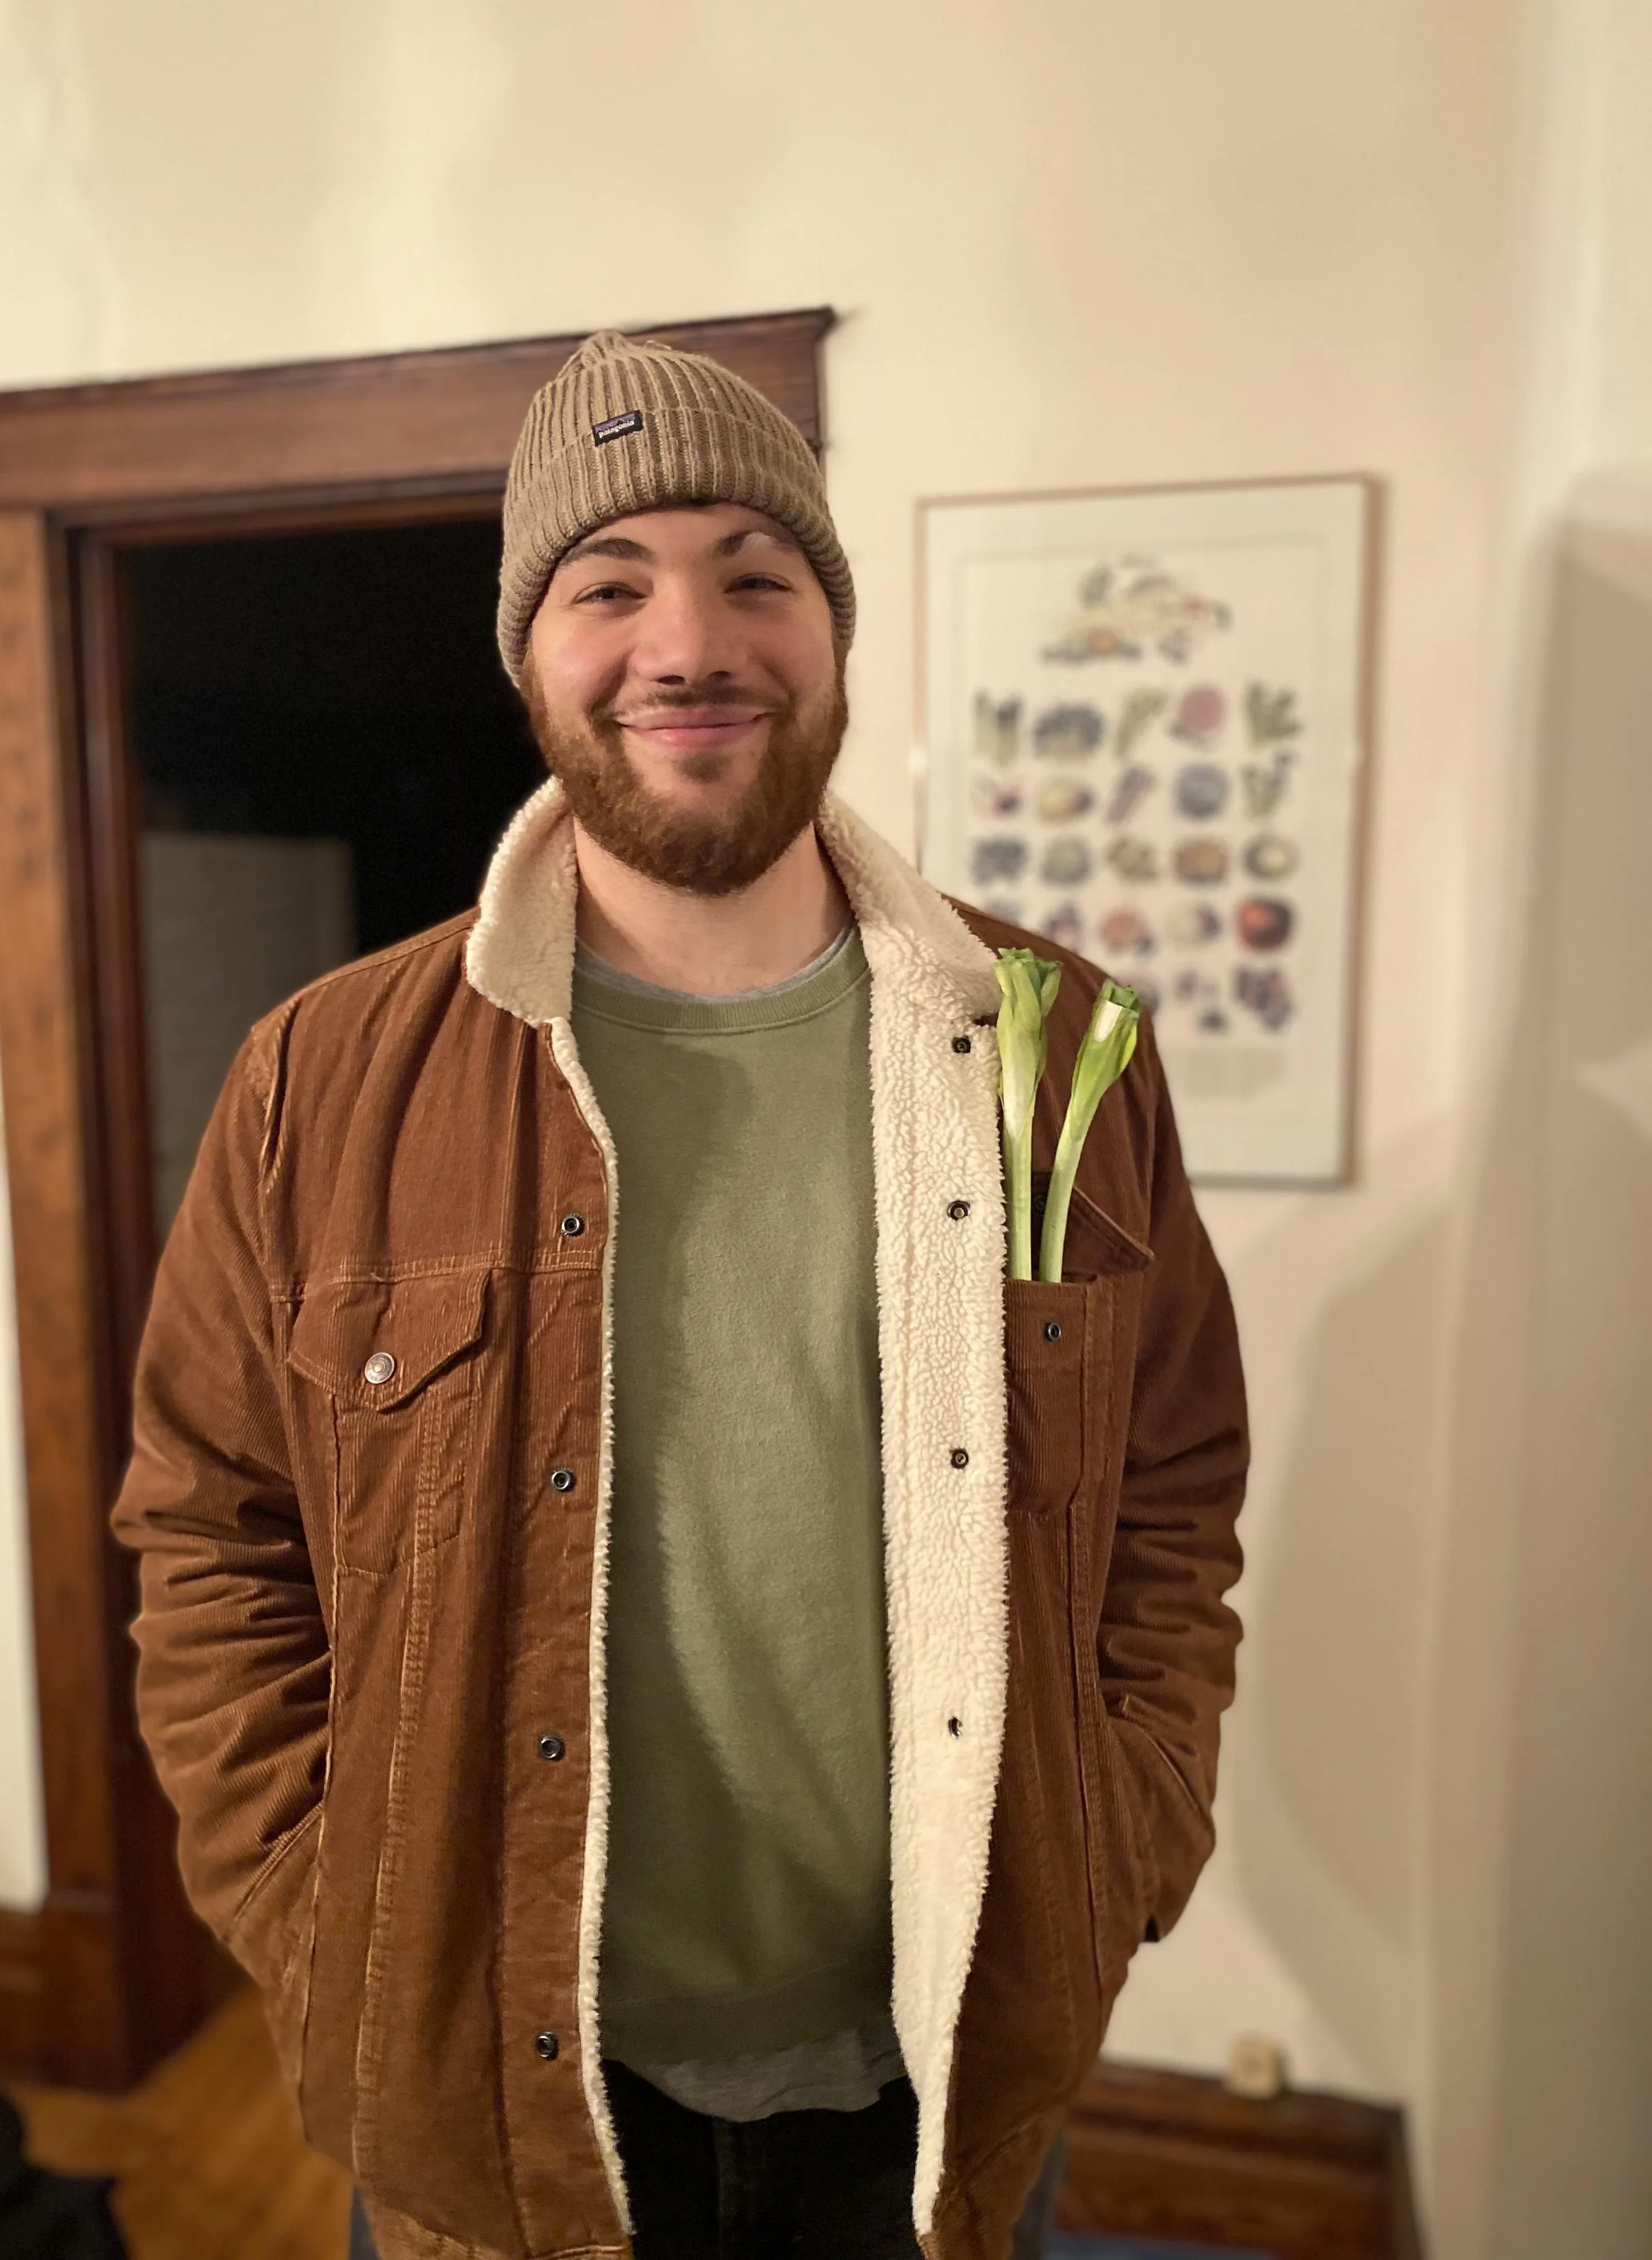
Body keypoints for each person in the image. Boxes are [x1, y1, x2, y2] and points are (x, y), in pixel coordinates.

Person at [112, 331, 1248, 2260]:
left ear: (831, 624)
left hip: (937, 2073)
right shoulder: (322, 1077)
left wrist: (1113, 1842)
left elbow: (1166, 1500)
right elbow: (210, 1540)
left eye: (754, 570)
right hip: (492, 2097)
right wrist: (327, 1909)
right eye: (607, 582)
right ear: (527, 650)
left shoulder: (1054, 1050)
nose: (687, 639)